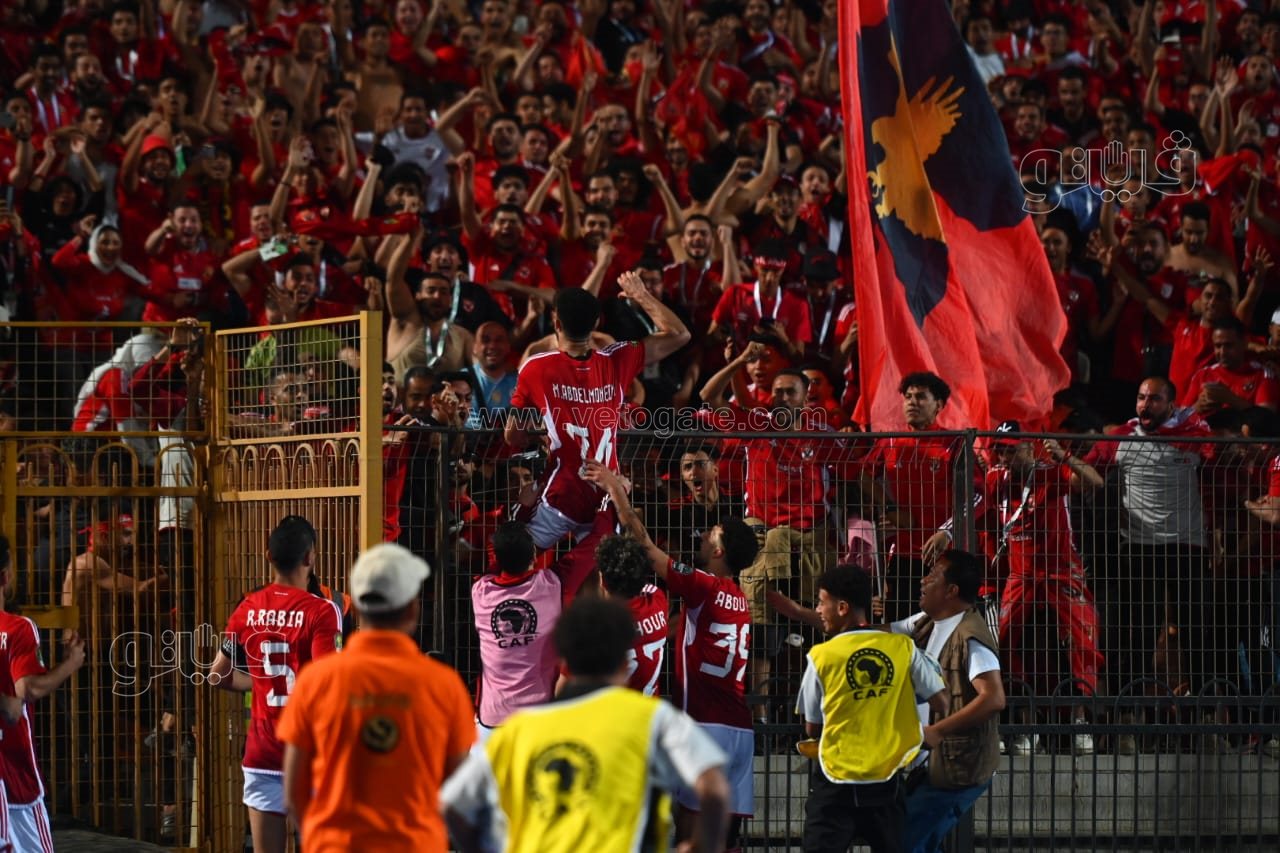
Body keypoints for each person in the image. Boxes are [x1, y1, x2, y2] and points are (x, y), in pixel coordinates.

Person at [441, 596, 731, 853]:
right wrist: (702, 846)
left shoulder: (519, 729)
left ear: (564, 660)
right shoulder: (653, 718)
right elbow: (714, 786)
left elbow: (453, 805)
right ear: (623, 662)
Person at [584, 461, 758, 851]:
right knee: (725, 840)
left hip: (706, 727)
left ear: (719, 550)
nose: (703, 535)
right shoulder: (740, 600)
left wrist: (616, 490)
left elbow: (645, 548)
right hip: (740, 730)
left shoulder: (705, 586)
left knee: (691, 838)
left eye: (711, 533)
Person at [278, 543, 475, 852]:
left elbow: (293, 793)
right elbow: (460, 791)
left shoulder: (315, 681)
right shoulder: (444, 686)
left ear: (356, 606)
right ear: (412, 609)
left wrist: (320, 839)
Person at [504, 275, 689, 550]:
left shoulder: (535, 366)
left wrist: (539, 434)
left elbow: (512, 436)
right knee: (607, 571)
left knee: (518, 554)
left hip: (561, 496)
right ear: (596, 324)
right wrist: (641, 295)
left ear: (556, 323)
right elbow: (680, 334)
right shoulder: (618, 358)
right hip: (606, 493)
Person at [208, 516, 344, 853]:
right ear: (310, 557)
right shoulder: (322, 611)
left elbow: (217, 674)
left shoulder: (247, 608)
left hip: (262, 752)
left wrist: (262, 682)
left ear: (268, 555)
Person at [795, 565, 947, 853]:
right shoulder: (902, 647)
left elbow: (812, 727)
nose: (818, 610)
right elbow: (941, 701)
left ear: (842, 607)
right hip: (887, 779)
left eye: (821, 602)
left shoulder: (821, 656)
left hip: (835, 780)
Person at [890, 551, 1006, 853]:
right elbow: (881, 633)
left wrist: (938, 731)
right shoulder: (928, 622)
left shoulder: (970, 636)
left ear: (951, 590)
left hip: (958, 766)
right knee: (915, 841)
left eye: (932, 576)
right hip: (933, 764)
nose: (923, 581)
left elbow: (994, 698)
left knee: (905, 842)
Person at [0, 533, 86, 853]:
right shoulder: (16, 628)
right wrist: (70, 664)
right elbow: (28, 689)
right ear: (6, 576)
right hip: (14, 775)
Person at [471, 522, 561, 738]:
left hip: (493, 722)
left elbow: (498, 563)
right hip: (540, 719)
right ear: (534, 555)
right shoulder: (553, 584)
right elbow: (590, 546)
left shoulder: (481, 592)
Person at [594, 535, 670, 697]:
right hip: (649, 709)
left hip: (614, 711)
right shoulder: (658, 600)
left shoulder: (595, 629)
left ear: (602, 581)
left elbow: (564, 690)